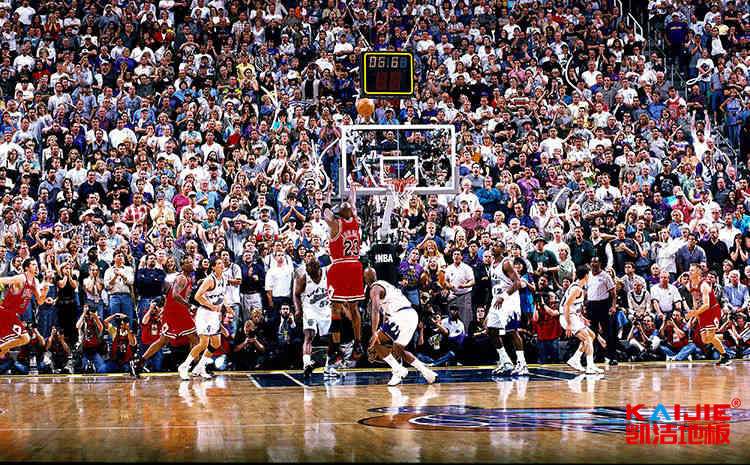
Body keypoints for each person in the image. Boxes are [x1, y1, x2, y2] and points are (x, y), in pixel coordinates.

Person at [365, 268, 437, 386]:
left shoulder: (375, 288)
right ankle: (427, 372)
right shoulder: (386, 286)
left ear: (365, 279)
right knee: (398, 349)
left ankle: (398, 370)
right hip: (411, 315)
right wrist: (381, 329)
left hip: (401, 316)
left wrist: (374, 332)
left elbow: (375, 309)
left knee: (375, 342)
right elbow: (386, 316)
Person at [322, 184, 365, 374]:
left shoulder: (336, 224)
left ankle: (338, 348)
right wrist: (353, 192)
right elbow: (352, 204)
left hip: (340, 266)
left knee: (336, 308)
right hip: (354, 265)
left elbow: (325, 212)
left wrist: (328, 195)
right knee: (353, 308)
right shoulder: (353, 220)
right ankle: (357, 343)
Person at [136, 256, 199, 375]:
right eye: (188, 262)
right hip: (176, 311)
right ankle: (196, 366)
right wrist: (189, 305)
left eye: (192, 261)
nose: (191, 264)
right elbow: (175, 295)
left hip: (176, 310)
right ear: (182, 266)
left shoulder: (188, 278)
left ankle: (139, 363)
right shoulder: (181, 278)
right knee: (194, 338)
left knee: (163, 340)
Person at [177, 257, 226, 380]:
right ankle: (184, 366)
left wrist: (227, 307)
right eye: (219, 263)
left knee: (216, 343)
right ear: (213, 267)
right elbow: (198, 296)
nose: (222, 265)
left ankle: (200, 367)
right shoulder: (209, 280)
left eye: (222, 263)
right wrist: (211, 306)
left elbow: (220, 296)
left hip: (214, 315)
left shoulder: (224, 279)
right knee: (203, 343)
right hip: (205, 314)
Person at [487, 244, 527, 376]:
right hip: (496, 300)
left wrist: (503, 296)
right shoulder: (492, 263)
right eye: (493, 244)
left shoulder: (506, 263)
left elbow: (518, 282)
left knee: (512, 331)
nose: (493, 247)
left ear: (503, 250)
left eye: (497, 245)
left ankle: (522, 364)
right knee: (491, 330)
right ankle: (506, 362)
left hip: (509, 300)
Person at [0, 259, 50, 359]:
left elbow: (40, 301)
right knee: (25, 338)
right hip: (5, 312)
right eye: (33, 264)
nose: (36, 266)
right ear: (27, 268)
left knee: (4, 352)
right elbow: (2, 280)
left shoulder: (35, 281)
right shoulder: (21, 278)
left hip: (12, 315)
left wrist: (45, 292)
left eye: (36, 264)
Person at [686, 263, 731, 366]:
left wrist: (694, 313)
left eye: (692, 270)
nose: (689, 272)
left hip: (712, 310)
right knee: (705, 340)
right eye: (689, 270)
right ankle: (723, 344)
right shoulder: (689, 284)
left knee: (710, 336)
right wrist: (696, 313)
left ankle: (725, 355)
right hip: (702, 312)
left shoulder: (704, 285)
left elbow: (706, 305)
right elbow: (695, 298)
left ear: (698, 272)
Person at [561, 265, 603, 374]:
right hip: (567, 316)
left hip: (573, 315)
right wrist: (569, 324)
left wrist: (582, 318)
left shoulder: (579, 287)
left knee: (592, 336)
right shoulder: (576, 289)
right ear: (586, 275)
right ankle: (590, 366)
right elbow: (566, 306)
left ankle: (575, 359)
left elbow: (575, 306)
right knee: (587, 338)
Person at [293, 258, 331, 378]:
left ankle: (329, 366)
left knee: (331, 338)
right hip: (310, 309)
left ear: (319, 269)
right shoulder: (304, 277)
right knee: (309, 335)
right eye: (310, 275)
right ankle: (306, 364)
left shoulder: (328, 273)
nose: (312, 277)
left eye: (314, 275)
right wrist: (298, 309)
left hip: (326, 309)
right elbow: (296, 294)